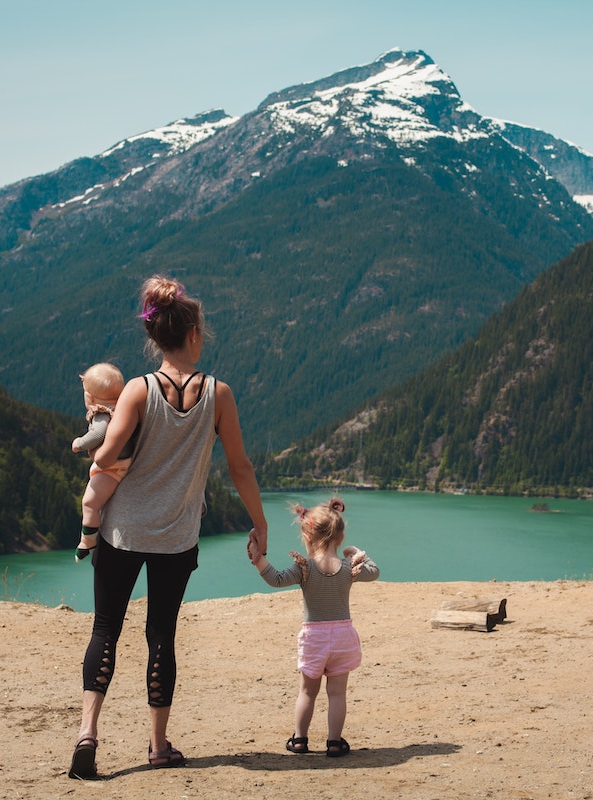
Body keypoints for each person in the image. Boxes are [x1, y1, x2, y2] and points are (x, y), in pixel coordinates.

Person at [69, 275, 269, 780]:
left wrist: (101, 441)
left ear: (155, 338)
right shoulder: (218, 394)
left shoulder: (137, 390)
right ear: (195, 334)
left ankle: (88, 734)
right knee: (162, 635)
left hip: (121, 534)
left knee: (105, 629)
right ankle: (158, 746)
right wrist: (260, 522)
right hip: (176, 538)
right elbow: (240, 467)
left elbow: (109, 452)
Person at [246, 498, 379, 758]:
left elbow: (276, 579)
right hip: (343, 637)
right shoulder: (348, 568)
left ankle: (299, 740)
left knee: (307, 691)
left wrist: (258, 558)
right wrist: (356, 552)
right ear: (339, 538)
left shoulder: (304, 569)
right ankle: (334, 742)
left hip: (314, 639)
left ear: (306, 536)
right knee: (337, 693)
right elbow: (374, 571)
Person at [70, 363, 135, 563]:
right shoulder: (126, 408)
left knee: (89, 502)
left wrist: (79, 443)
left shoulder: (102, 413)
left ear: (88, 397)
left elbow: (98, 434)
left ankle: (87, 541)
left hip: (113, 468)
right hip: (130, 462)